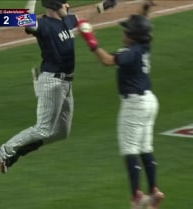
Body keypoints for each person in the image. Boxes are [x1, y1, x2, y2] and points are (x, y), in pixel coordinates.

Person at [0, 0, 117, 178]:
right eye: (64, 3)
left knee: (61, 132)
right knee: (43, 129)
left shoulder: (66, 21)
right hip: (52, 83)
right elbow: (26, 20)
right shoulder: (44, 25)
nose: (68, 6)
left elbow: (83, 16)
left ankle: (14, 155)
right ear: (55, 6)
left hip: (66, 84)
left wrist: (103, 6)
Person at [77, 1, 164, 209]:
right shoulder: (144, 44)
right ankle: (154, 190)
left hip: (134, 104)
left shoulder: (131, 52)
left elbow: (107, 60)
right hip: (150, 101)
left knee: (130, 149)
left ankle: (136, 195)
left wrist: (89, 38)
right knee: (145, 147)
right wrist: (146, 9)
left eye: (127, 30)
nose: (123, 32)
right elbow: (145, 25)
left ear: (133, 36)